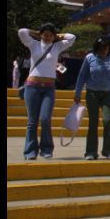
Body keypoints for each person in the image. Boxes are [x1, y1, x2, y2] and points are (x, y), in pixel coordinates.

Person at [18, 23, 76, 160]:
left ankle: (46, 149)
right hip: (32, 86)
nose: (48, 37)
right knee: (32, 121)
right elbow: (21, 32)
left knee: (45, 119)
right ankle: (30, 152)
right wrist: (37, 32)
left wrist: (58, 35)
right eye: (45, 34)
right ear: (41, 34)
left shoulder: (57, 46)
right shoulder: (34, 44)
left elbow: (72, 37)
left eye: (50, 35)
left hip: (48, 88)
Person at [74, 37, 110, 160]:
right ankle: (91, 152)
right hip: (92, 94)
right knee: (93, 122)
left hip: (108, 94)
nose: (104, 51)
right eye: (101, 49)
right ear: (96, 49)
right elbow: (82, 76)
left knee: (107, 121)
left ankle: (108, 151)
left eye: (106, 48)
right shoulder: (89, 58)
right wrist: (78, 92)